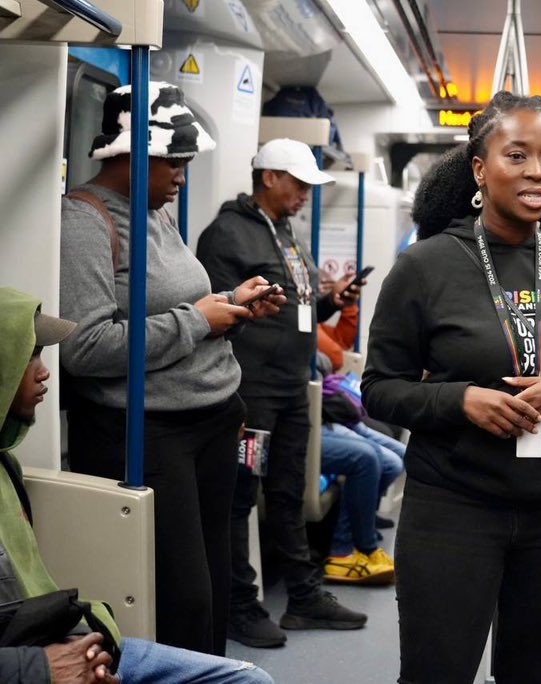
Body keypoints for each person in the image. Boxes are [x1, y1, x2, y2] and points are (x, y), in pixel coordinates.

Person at [361, 91, 541, 683]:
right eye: (517, 156)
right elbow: (380, 389)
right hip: (454, 508)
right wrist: (459, 400)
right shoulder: (425, 267)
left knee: (533, 676)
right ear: (479, 168)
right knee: (436, 673)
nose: (537, 172)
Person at [59, 82, 285, 656]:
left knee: (211, 582)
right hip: (150, 431)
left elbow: (173, 307)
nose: (183, 174)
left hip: (209, 417)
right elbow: (84, 348)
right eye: (174, 161)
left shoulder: (156, 213)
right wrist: (199, 321)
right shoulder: (85, 222)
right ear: (132, 156)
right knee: (183, 596)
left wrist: (231, 305)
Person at [0, 287, 274, 683]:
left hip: (52, 639)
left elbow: (33, 599)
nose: (45, 371)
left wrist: (90, 642)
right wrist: (41, 667)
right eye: (28, 356)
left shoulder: (7, 467)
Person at [197, 138, 368, 648]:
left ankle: (303, 596)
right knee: (239, 498)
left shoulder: (288, 236)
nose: (303, 196)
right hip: (252, 392)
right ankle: (239, 607)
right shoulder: (226, 235)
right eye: (297, 185)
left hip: (294, 387)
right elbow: (218, 315)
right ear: (269, 177)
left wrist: (330, 302)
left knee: (290, 493)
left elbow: (297, 311)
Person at [318, 375, 403, 584]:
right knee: (366, 458)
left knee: (391, 460)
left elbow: (331, 361)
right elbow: (331, 359)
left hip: (330, 413)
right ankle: (349, 549)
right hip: (318, 418)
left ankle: (360, 539)